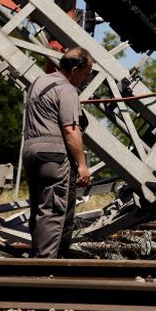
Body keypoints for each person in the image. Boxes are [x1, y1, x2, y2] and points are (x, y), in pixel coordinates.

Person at [23, 47, 93, 258]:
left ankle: (39, 255)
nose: (86, 79)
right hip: (54, 154)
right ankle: (46, 266)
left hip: (31, 150)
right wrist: (82, 165)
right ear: (74, 69)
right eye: (86, 73)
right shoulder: (67, 89)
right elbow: (70, 130)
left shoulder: (38, 82)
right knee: (54, 210)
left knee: (39, 209)